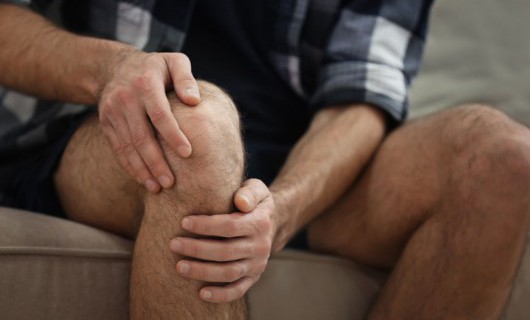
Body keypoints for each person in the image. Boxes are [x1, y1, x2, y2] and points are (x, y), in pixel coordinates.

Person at [1, 0, 529, 319]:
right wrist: (111, 68)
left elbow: (362, 99)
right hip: (90, 130)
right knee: (196, 134)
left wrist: (282, 209)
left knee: (504, 159)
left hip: (298, 159)